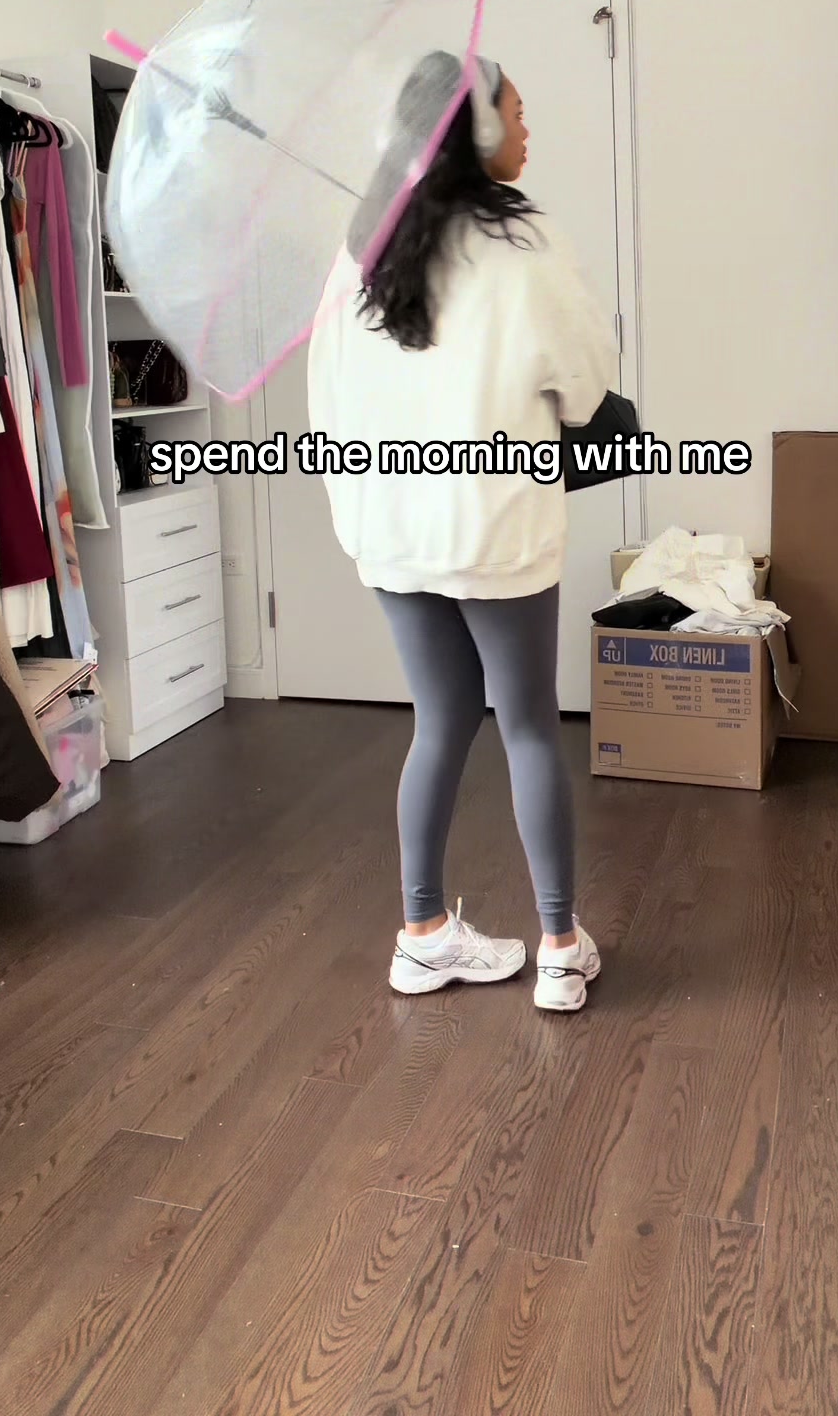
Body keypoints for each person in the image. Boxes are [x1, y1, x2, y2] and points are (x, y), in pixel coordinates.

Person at [307, 51, 614, 1012]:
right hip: (493, 523)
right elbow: (586, 387)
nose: (526, 128)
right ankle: (558, 949)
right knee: (525, 724)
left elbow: (326, 401)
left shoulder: (360, 250)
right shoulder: (523, 240)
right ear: (474, 131)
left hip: (392, 524)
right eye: (515, 112)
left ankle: (422, 936)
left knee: (439, 720)